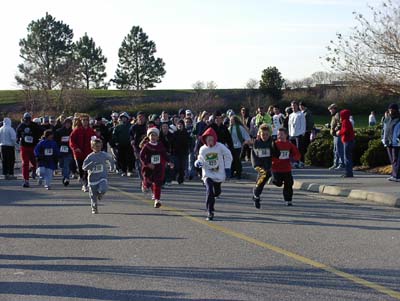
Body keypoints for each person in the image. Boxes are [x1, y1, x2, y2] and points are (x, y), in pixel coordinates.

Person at [195, 127, 233, 221]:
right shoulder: (203, 149)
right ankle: (210, 211)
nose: (210, 142)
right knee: (209, 191)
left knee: (216, 192)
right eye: (208, 140)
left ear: (215, 139)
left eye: (212, 139)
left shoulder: (220, 146)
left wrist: (227, 168)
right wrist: (198, 162)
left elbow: (228, 155)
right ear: (205, 140)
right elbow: (200, 159)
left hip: (219, 174)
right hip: (208, 174)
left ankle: (216, 194)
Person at [140, 127, 174, 208]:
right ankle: (144, 185)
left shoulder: (160, 145)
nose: (153, 137)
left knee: (158, 183)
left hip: (158, 167)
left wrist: (169, 162)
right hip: (149, 168)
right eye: (151, 135)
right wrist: (147, 164)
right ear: (148, 137)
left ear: (158, 137)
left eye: (155, 135)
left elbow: (164, 155)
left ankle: (157, 200)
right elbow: (141, 156)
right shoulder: (147, 146)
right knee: (148, 182)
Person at [82, 139, 115, 214]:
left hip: (102, 177)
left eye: (100, 146)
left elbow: (110, 158)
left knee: (104, 188)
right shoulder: (90, 157)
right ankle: (94, 207)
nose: (98, 148)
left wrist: (112, 166)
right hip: (92, 179)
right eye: (96, 146)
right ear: (92, 147)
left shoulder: (103, 154)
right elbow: (84, 167)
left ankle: (100, 194)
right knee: (93, 196)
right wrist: (91, 165)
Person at [251, 124, 280, 209]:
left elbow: (277, 155)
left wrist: (274, 146)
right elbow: (254, 155)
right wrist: (256, 165)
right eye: (263, 134)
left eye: (267, 134)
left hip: (268, 165)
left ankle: (256, 194)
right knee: (262, 176)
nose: (265, 136)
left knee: (262, 181)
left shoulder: (271, 142)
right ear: (259, 134)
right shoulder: (256, 143)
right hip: (259, 165)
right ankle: (256, 195)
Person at [271, 128, 301, 206]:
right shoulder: (274, 144)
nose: (279, 136)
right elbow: (270, 155)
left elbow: (297, 154)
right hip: (276, 168)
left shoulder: (290, 145)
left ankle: (288, 199)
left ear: (286, 135)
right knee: (278, 183)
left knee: (289, 183)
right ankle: (274, 179)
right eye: (278, 134)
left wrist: (294, 159)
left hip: (286, 168)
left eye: (281, 134)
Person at [69, 114, 96, 192]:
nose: (85, 122)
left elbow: (95, 140)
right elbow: (71, 141)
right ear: (81, 121)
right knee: (81, 169)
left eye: (86, 120)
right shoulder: (77, 130)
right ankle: (84, 183)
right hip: (79, 154)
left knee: (87, 170)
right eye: (83, 120)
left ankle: (86, 184)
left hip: (89, 153)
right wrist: (75, 148)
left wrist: (96, 146)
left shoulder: (91, 131)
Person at [16, 112, 42, 188]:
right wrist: (18, 140)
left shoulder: (34, 125)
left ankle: (34, 170)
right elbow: (17, 135)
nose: (27, 121)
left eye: (28, 119)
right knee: (25, 163)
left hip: (33, 147)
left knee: (34, 162)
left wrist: (37, 138)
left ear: (30, 119)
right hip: (24, 147)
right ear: (23, 119)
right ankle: (26, 180)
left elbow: (41, 131)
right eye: (26, 119)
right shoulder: (20, 126)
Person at [112, 112, 134, 177]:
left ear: (127, 119)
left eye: (125, 118)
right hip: (120, 145)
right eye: (122, 118)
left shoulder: (131, 126)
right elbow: (114, 135)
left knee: (130, 158)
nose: (123, 119)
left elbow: (133, 134)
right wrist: (116, 142)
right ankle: (124, 171)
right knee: (122, 158)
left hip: (129, 145)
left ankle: (130, 170)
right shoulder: (118, 127)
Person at [382, 103, 400, 181]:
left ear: (396, 110)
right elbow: (384, 130)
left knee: (396, 159)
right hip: (388, 141)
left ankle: (398, 176)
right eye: (389, 109)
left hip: (396, 142)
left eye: (392, 109)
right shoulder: (387, 119)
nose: (391, 110)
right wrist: (383, 138)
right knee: (392, 159)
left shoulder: (399, 119)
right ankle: (394, 175)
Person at [55, 118, 73, 186]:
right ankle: (65, 174)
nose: (68, 124)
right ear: (64, 124)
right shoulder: (59, 131)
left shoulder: (72, 131)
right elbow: (56, 141)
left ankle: (66, 178)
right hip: (61, 150)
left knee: (66, 164)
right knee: (61, 164)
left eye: (69, 123)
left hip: (69, 150)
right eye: (66, 123)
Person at [337, 109, 355, 178]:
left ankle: (348, 173)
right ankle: (348, 172)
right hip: (349, 140)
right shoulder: (347, 121)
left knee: (347, 158)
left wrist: (339, 132)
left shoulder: (345, 122)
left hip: (347, 141)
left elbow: (345, 131)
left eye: (341, 116)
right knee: (348, 157)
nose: (340, 117)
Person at [130, 111, 147, 181]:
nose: (141, 118)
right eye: (139, 117)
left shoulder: (147, 126)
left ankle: (148, 180)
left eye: (142, 117)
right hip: (138, 149)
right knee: (139, 165)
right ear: (137, 118)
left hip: (148, 148)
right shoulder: (134, 127)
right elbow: (131, 140)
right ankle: (142, 180)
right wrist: (135, 150)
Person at [288, 101, 306, 168]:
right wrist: (289, 133)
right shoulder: (291, 115)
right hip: (292, 134)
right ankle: (294, 162)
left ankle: (301, 162)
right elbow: (289, 125)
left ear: (297, 106)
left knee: (299, 149)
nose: (293, 107)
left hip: (299, 134)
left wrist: (302, 133)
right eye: (292, 105)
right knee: (293, 150)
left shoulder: (301, 114)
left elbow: (303, 124)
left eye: (294, 105)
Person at [172, 120, 190, 184]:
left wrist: (188, 150)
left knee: (182, 166)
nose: (180, 126)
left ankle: (181, 179)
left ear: (183, 125)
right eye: (178, 124)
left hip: (184, 152)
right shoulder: (175, 133)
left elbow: (189, 142)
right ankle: (177, 176)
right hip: (176, 153)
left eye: (181, 124)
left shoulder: (186, 133)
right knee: (177, 166)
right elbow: (172, 143)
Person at [328, 103, 345, 170]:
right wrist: (330, 126)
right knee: (335, 150)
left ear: (334, 109)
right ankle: (336, 163)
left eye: (330, 109)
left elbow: (340, 123)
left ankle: (341, 164)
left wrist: (336, 129)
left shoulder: (338, 114)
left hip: (338, 135)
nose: (330, 111)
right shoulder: (334, 115)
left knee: (339, 149)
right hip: (335, 135)